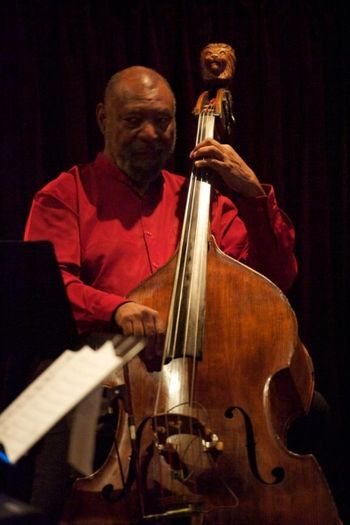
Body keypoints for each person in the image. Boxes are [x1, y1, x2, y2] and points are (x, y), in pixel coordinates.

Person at [22, 66, 335, 522]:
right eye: (133, 120)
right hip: (103, 362)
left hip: (207, 368)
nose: (151, 133)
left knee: (312, 408)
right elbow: (49, 289)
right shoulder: (64, 195)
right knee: (67, 412)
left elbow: (274, 280)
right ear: (102, 117)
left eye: (164, 121)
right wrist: (118, 307)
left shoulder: (203, 200)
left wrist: (252, 196)